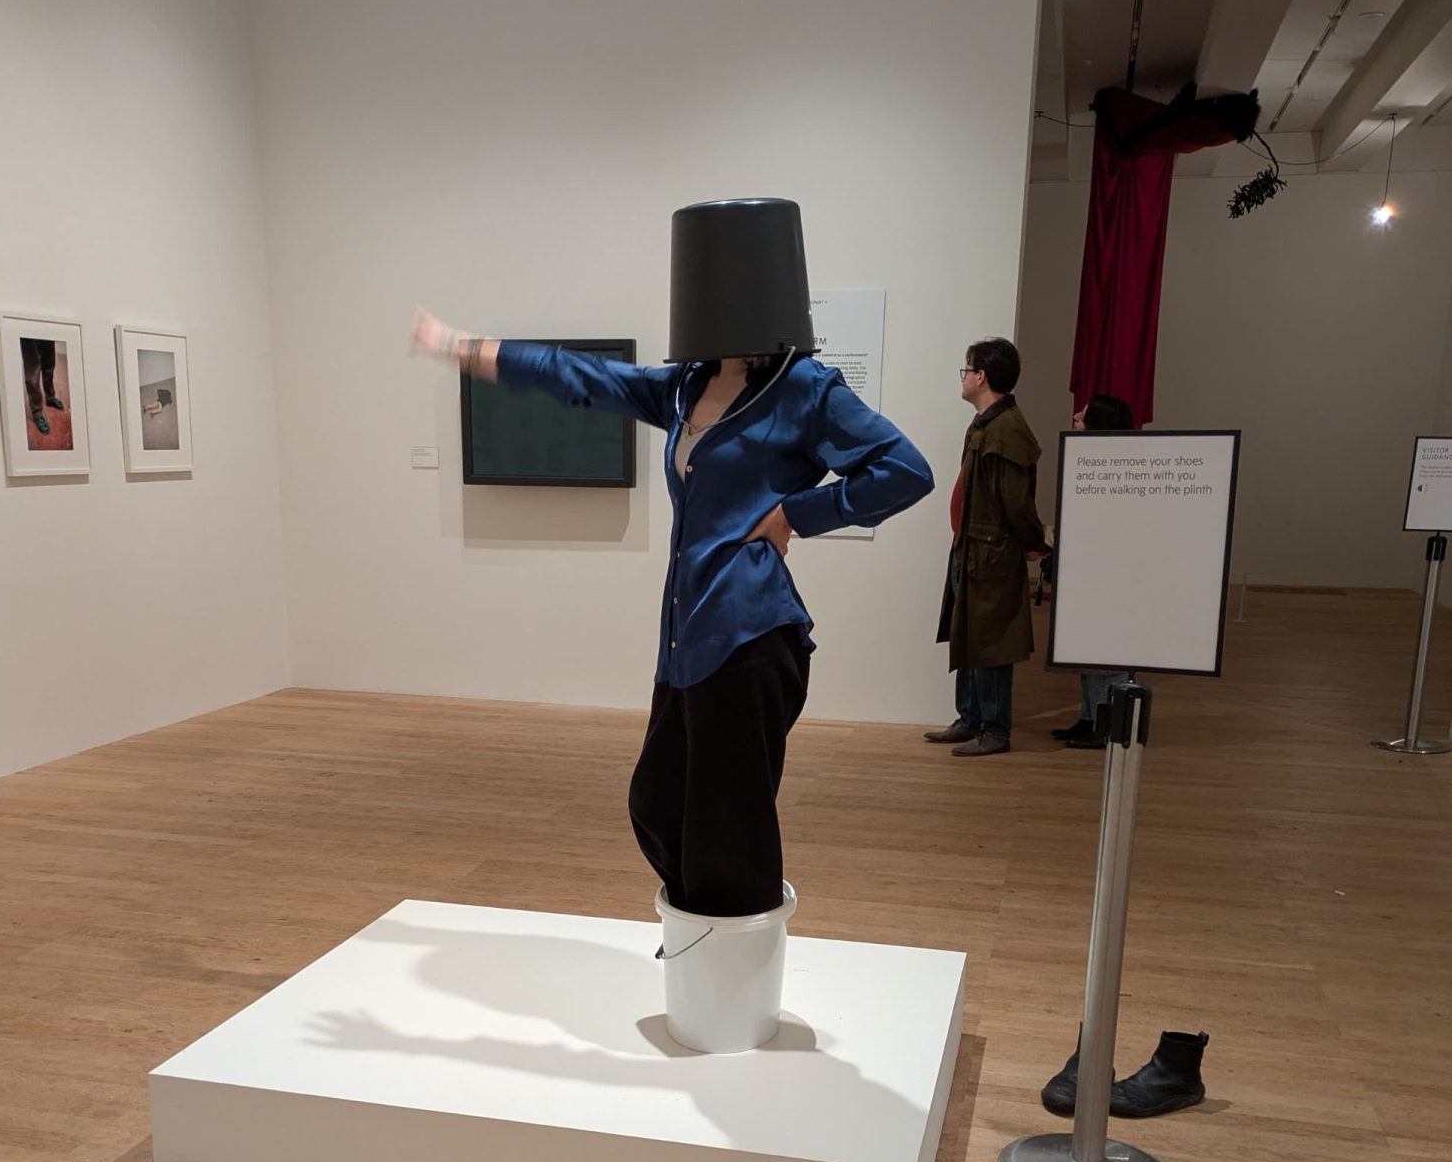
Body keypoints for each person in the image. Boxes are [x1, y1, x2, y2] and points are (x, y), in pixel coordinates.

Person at [410, 200, 935, 919]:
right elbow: (583, 379)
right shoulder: (685, 386)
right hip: (690, 637)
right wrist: (467, 348)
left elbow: (905, 470)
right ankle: (706, 947)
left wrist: (796, 515)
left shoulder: (806, 392)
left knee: (730, 834)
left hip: (751, 639)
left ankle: (727, 980)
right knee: (658, 804)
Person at [925, 337, 1044, 757]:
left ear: (982, 376)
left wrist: (1034, 543)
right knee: (971, 633)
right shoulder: (989, 424)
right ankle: (971, 718)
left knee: (991, 641)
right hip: (973, 549)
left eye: (966, 369)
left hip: (990, 553)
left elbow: (1015, 501)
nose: (963, 377)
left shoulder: (1006, 431)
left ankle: (994, 728)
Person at [1051, 392, 1135, 750]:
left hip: (1110, 574)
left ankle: (1105, 724)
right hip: (1088, 569)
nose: (1075, 418)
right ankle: (1088, 717)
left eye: (1083, 417)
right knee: (1086, 651)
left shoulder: (1120, 470)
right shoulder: (1089, 463)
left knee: (1107, 654)